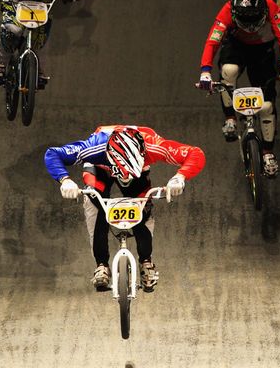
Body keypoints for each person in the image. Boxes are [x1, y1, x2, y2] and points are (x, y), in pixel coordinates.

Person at [44, 125, 205, 292]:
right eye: (123, 173)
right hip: (99, 167)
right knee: (94, 201)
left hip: (138, 171)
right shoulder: (94, 147)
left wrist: (180, 177)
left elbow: (195, 153)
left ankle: (146, 262)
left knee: (142, 203)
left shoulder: (152, 146)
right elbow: (53, 153)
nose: (125, 177)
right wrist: (65, 180)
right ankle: (101, 265)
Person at [197, 0, 280, 178]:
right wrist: (205, 71)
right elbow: (212, 42)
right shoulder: (226, 10)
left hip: (263, 52)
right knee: (229, 71)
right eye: (244, 19)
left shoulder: (271, 6)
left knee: (267, 106)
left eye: (254, 18)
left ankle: (268, 153)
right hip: (237, 47)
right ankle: (230, 118)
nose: (250, 26)